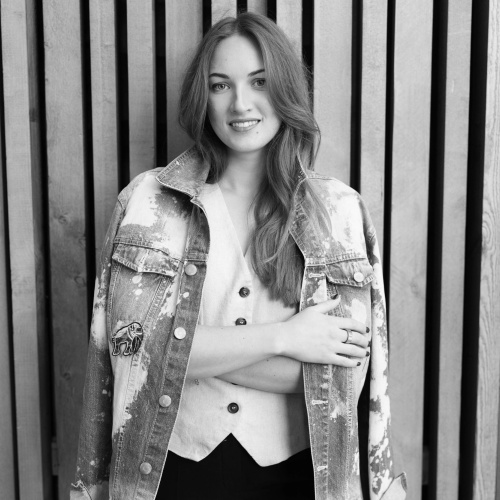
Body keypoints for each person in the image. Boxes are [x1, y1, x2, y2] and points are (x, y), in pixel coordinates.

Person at [71, 11, 406, 500]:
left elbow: (343, 374)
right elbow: (131, 349)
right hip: (170, 471)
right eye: (220, 85)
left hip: (301, 475)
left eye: (259, 81)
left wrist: (183, 352)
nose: (241, 103)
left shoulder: (339, 211)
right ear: (202, 97)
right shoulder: (147, 203)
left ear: (285, 89)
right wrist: (288, 338)